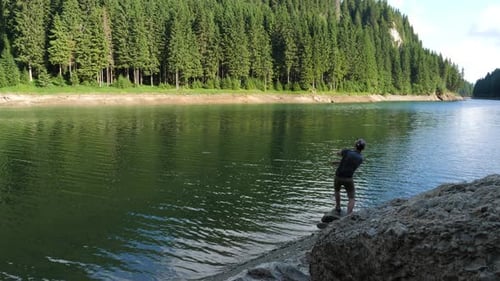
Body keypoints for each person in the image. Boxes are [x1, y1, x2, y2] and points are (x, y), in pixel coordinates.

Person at [332, 139, 365, 215]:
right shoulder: (360, 158)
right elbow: (350, 164)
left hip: (338, 176)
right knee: (351, 197)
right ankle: (349, 214)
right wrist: (338, 162)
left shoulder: (347, 151)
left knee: (337, 191)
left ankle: (338, 207)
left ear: (355, 145)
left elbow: (339, 154)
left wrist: (337, 154)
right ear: (363, 148)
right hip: (348, 178)